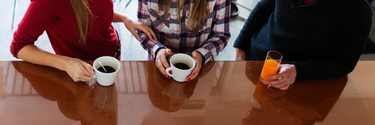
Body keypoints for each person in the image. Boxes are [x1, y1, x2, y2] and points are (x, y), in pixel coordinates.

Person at [233, 0, 373, 90]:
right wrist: (240, 43)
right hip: (251, 60)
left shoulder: (359, 11)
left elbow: (343, 63)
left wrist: (298, 71)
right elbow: (264, 7)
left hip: (297, 86)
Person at [10, 0, 156, 82]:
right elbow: (19, 46)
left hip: (113, 55)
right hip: (82, 73)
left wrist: (124, 18)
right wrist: (65, 63)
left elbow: (95, 10)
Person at [137, 0, 231, 82]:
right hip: (157, 69)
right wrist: (157, 49)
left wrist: (202, 55)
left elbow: (221, 34)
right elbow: (142, 29)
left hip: (199, 72)